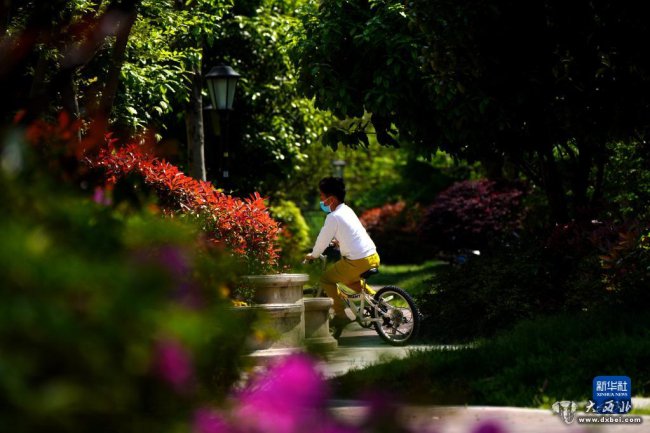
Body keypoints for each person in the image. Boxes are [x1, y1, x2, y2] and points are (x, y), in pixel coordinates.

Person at [304, 177, 380, 331]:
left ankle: (341, 315)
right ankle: (378, 302)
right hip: (372, 256)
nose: (321, 200)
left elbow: (322, 240)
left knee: (326, 280)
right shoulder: (347, 210)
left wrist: (313, 255)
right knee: (350, 281)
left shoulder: (333, 217)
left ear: (331, 199)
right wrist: (339, 242)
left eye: (322, 196)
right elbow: (352, 233)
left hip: (357, 262)